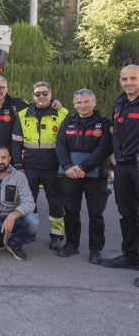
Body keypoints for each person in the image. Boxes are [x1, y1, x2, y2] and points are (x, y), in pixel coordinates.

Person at [55, 89, 112, 264]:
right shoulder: (69, 121)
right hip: (70, 173)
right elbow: (60, 145)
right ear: (74, 104)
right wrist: (67, 167)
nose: (83, 105)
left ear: (94, 103)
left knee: (96, 213)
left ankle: (96, 250)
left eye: (86, 102)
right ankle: (72, 244)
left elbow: (104, 149)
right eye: (79, 102)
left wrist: (83, 167)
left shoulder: (104, 123)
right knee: (71, 210)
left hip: (95, 175)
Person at [12, 81, 68, 250]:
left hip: (53, 165)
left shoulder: (62, 114)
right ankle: (30, 231)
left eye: (45, 93)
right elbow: (16, 143)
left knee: (55, 201)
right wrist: (18, 164)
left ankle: (57, 235)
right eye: (38, 94)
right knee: (29, 200)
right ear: (33, 96)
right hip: (30, 166)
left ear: (51, 94)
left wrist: (65, 166)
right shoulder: (23, 115)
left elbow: (68, 142)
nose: (41, 97)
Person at [100, 64, 139, 276]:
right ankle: (131, 256)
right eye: (124, 79)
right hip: (123, 165)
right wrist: (114, 153)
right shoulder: (120, 102)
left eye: (133, 78)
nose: (128, 83)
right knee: (127, 213)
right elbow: (116, 132)